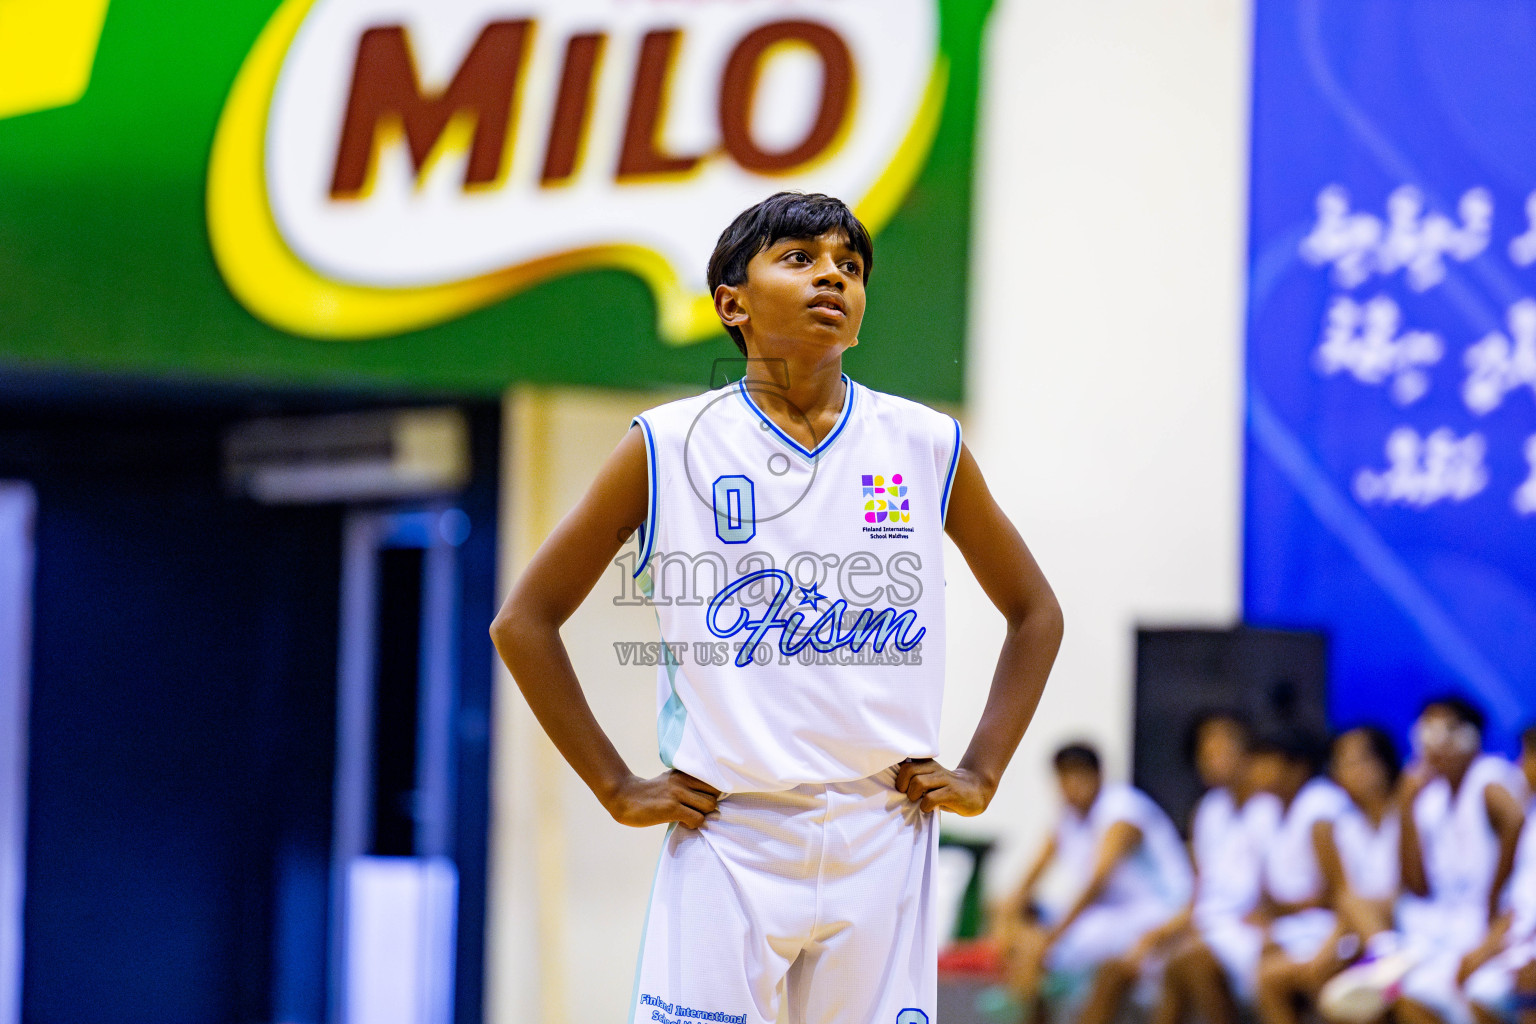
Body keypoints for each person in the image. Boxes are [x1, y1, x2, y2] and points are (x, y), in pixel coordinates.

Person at [489, 192, 1064, 1024]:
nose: (832, 273)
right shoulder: (667, 444)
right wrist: (616, 785)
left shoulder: (923, 443)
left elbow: (1035, 612)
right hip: (731, 832)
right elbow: (525, 620)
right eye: (800, 257)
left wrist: (982, 770)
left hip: (885, 830)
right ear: (733, 302)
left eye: (850, 265)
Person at [998, 742, 1193, 1022]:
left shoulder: (1122, 810)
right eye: (1064, 778)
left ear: (1099, 776)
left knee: (1040, 950)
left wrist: (1054, 936)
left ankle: (1023, 1000)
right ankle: (1024, 995)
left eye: (1078, 777)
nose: (1071, 786)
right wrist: (1006, 921)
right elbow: (1029, 879)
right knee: (1019, 926)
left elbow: (1097, 882)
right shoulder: (1067, 817)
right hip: (1109, 914)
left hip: (1156, 911)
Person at [1391, 696, 1528, 1024]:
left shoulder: (1488, 776)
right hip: (1449, 926)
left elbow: (1514, 820)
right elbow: (1417, 886)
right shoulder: (1430, 799)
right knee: (1405, 993)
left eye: (1445, 733)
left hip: (1494, 926)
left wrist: (1494, 898)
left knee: (1472, 993)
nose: (1433, 745)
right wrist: (1406, 806)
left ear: (1470, 739)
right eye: (1426, 733)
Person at [1150, 715, 1283, 1024]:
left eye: (1220, 751)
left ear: (1246, 753)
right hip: (1213, 924)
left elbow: (1279, 884)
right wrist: (1178, 926)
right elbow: (1201, 887)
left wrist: (1270, 917)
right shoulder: (1208, 810)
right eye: (1205, 754)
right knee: (1173, 962)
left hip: (1254, 925)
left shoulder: (1271, 807)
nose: (1211, 761)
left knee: (1191, 962)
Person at [1464, 725, 1536, 1024]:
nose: (1521, 767)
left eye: (1528, 756)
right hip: (1520, 942)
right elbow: (1522, 904)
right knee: (1480, 992)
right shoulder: (1531, 815)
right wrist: (1486, 948)